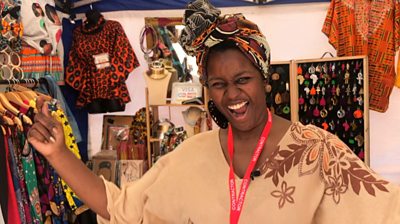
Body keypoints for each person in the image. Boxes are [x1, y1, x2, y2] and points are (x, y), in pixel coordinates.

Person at [28, 0, 400, 223]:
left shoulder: (318, 152)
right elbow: (122, 208)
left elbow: (385, 210)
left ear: (264, 79)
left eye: (242, 79)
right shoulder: (191, 156)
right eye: (218, 84)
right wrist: (59, 154)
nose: (232, 95)